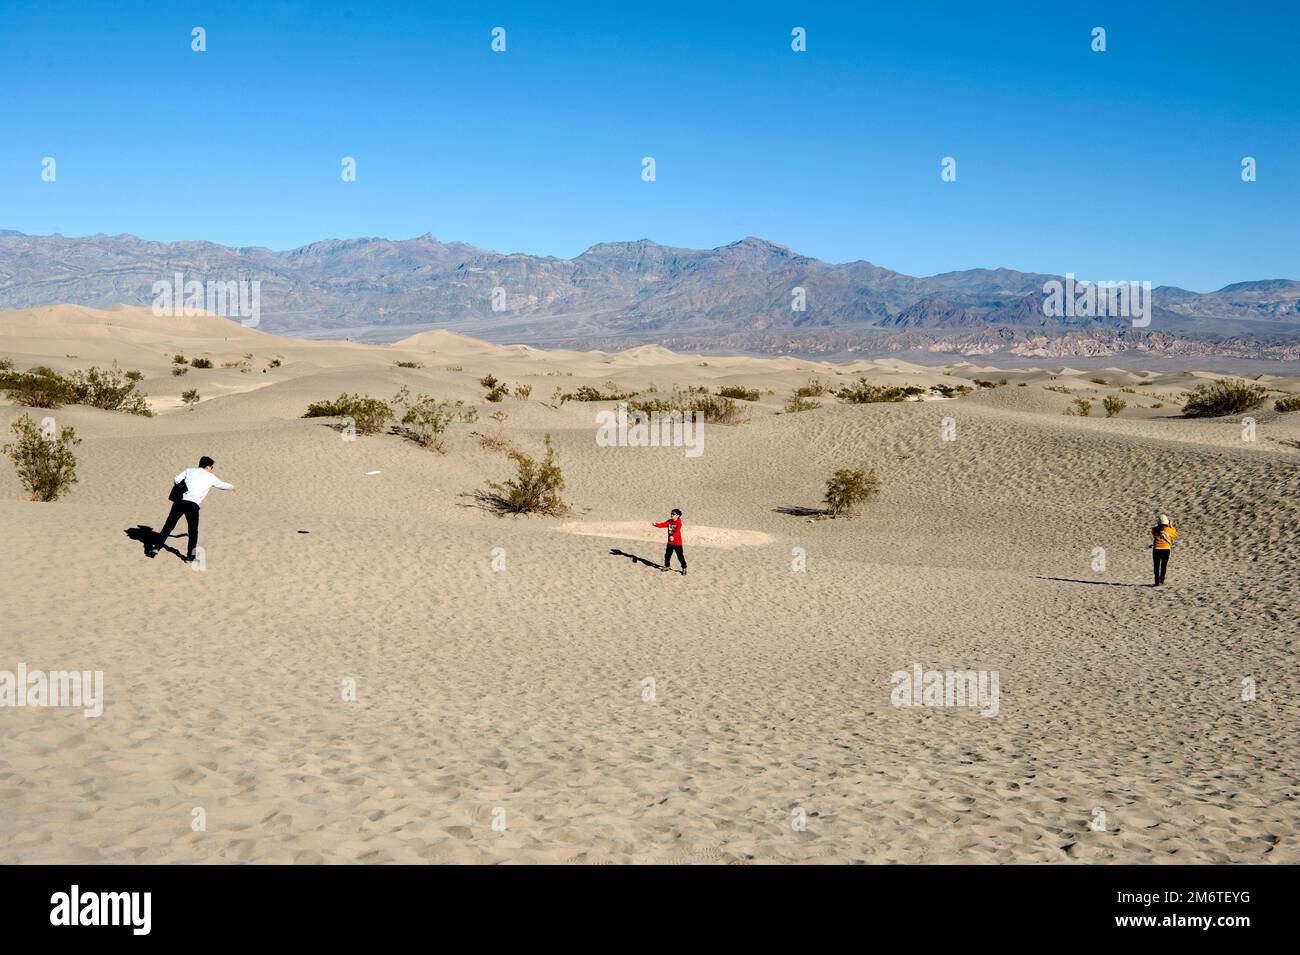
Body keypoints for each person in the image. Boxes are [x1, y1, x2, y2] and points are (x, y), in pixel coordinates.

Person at [149, 456, 235, 561]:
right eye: (212, 467)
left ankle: (156, 547)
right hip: (193, 505)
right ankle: (190, 556)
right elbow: (222, 485)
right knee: (193, 531)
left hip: (179, 501)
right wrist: (233, 487)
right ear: (208, 467)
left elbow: (176, 479)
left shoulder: (189, 470)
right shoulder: (210, 477)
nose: (212, 469)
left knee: (169, 525)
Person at [653, 509, 686, 575]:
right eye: (671, 513)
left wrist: (673, 536)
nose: (671, 515)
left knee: (680, 556)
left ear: (678, 515)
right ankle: (667, 566)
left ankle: (684, 568)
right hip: (670, 543)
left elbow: (677, 530)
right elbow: (662, 525)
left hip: (678, 543)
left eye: (673, 514)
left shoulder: (679, 522)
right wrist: (656, 524)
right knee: (667, 555)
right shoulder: (669, 521)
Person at [1150, 513, 1177, 586]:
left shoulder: (1154, 530)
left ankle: (1156, 581)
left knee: (1156, 566)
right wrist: (1171, 526)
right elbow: (1175, 534)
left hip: (1156, 549)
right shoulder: (1169, 530)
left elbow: (1154, 531)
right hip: (1166, 549)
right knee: (1163, 565)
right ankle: (1162, 580)